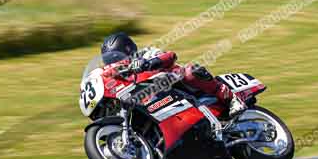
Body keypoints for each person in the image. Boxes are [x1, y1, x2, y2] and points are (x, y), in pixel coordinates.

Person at [99, 32, 248, 118]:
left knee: (191, 72)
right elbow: (106, 74)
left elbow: (170, 56)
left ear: (128, 49)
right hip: (157, 102)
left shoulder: (145, 53)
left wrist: (148, 63)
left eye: (116, 57)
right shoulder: (120, 73)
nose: (114, 62)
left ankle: (231, 99)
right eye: (109, 60)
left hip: (178, 84)